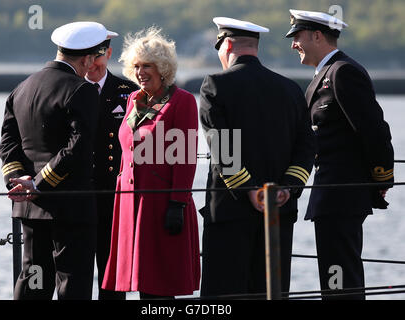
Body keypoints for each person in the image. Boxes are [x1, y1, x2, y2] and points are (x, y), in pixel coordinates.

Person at [199, 17, 315, 298]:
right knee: (270, 292)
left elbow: (223, 147)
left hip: (230, 212)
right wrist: (287, 187)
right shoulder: (290, 89)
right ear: (256, 48)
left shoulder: (215, 84)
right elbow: (307, 146)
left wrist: (249, 191)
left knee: (223, 296)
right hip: (278, 212)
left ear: (225, 45)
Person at [286, 9, 394, 300]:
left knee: (340, 276)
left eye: (297, 36)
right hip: (331, 194)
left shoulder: (343, 71)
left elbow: (374, 130)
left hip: (343, 192)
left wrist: (381, 179)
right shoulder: (324, 74)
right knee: (333, 276)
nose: (293, 44)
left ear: (317, 35)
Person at [0, 21, 109, 300]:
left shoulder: (22, 88)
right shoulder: (81, 90)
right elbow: (77, 148)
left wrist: (19, 181)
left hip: (30, 206)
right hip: (70, 207)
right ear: (86, 58)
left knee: (34, 278)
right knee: (72, 279)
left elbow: (8, 143)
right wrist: (39, 183)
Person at [101, 27, 200, 299]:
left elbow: (186, 158)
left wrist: (177, 204)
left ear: (163, 69)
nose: (141, 72)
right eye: (137, 66)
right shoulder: (134, 99)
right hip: (128, 202)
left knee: (159, 286)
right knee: (138, 280)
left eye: (148, 66)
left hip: (162, 204)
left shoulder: (183, 101)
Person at [85, 26, 139, 301]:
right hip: (77, 194)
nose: (93, 63)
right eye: (87, 55)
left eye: (98, 55)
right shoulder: (68, 89)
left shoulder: (128, 92)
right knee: (75, 276)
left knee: (113, 277)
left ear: (108, 53)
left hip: (114, 198)